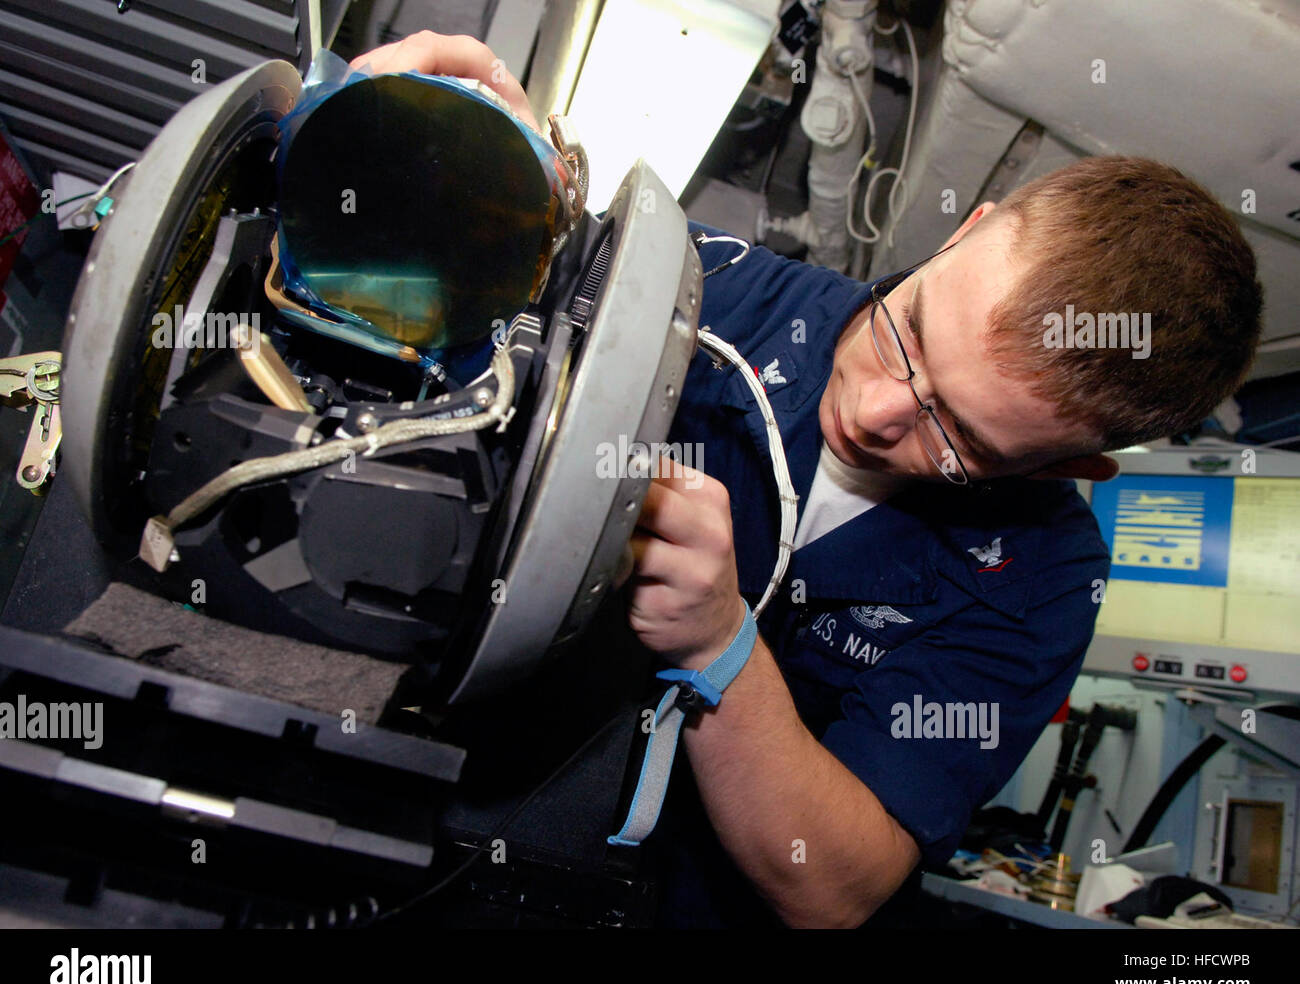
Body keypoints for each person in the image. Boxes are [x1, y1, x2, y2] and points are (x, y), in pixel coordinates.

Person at [352, 32, 1263, 927]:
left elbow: (836, 890)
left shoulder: (1038, 582)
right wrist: (463, 159)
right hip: (407, 810)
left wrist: (718, 649)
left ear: (1071, 466)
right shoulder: (713, 287)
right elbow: (500, 262)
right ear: (966, 234)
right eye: (909, 333)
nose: (877, 411)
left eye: (960, 436)